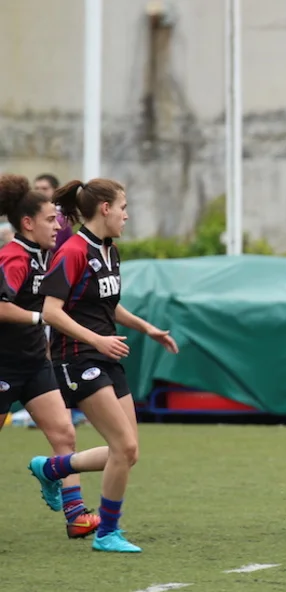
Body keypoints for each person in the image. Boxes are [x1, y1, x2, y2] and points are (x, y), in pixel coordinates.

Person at [32, 177, 180, 553]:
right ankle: (107, 533)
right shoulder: (72, 251)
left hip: (105, 356)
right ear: (105, 208)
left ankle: (52, 468)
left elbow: (108, 304)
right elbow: (50, 312)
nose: (127, 216)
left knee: (128, 452)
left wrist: (147, 328)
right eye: (124, 208)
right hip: (77, 358)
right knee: (123, 445)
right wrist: (96, 339)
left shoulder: (110, 250)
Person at [0, 173, 106, 539]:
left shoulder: (44, 254)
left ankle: (76, 515)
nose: (57, 226)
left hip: (33, 364)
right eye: (50, 220)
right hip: (3, 365)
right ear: (28, 224)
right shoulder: (13, 258)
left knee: (64, 434)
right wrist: (39, 318)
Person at [33, 174, 74, 249]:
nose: (39, 192)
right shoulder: (34, 213)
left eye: (44, 189)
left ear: (56, 190)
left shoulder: (60, 218)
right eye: (37, 188)